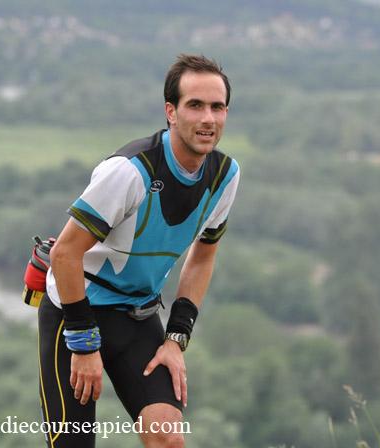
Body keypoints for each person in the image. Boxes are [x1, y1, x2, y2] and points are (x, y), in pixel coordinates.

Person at [38, 54, 240, 448]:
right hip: (76, 313)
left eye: (217, 107)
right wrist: (83, 343)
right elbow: (64, 254)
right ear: (171, 112)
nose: (208, 119)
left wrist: (176, 339)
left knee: (168, 438)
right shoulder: (130, 171)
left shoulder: (224, 175)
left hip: (138, 316)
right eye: (195, 105)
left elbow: (203, 255)